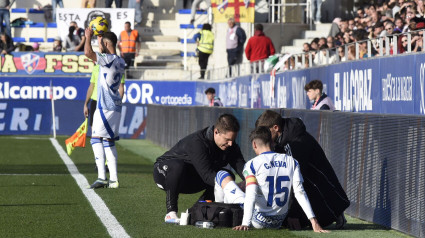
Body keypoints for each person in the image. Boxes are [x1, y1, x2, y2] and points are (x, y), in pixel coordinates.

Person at [214, 127, 328, 232]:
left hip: (256, 221)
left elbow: (251, 194)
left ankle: (219, 217)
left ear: (254, 144)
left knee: (221, 175)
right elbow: (300, 192)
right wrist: (314, 221)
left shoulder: (252, 164)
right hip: (277, 222)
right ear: (272, 142)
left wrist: (245, 223)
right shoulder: (292, 161)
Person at [255, 110, 349, 229]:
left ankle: (335, 212)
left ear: (275, 127)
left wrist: (294, 213)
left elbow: (298, 180)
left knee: (289, 222)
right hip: (308, 187)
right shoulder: (281, 140)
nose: (263, 137)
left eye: (266, 132)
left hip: (319, 190)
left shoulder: (297, 142)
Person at [153, 114, 246, 223]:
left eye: (233, 140)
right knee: (178, 166)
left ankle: (196, 211)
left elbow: (244, 170)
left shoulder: (231, 147)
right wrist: (230, 186)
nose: (230, 143)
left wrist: (254, 182)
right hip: (164, 174)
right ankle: (171, 213)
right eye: (227, 139)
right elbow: (207, 175)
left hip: (192, 178)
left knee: (226, 174)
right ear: (216, 132)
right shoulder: (197, 142)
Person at [84, 27, 126, 189]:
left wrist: (88, 37)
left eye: (101, 43)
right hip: (115, 105)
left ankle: (102, 177)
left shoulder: (107, 59)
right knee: (109, 142)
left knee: (95, 139)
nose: (98, 46)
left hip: (105, 105)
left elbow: (88, 53)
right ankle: (113, 179)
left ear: (107, 43)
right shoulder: (121, 61)